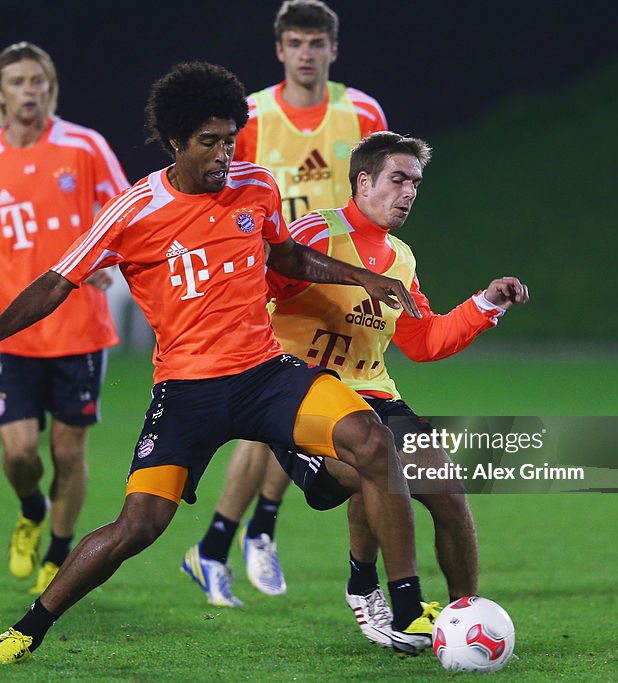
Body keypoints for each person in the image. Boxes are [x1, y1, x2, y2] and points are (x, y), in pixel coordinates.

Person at [0, 61, 439, 664]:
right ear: (176, 141)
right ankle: (28, 628)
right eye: (208, 142)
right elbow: (54, 282)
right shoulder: (133, 209)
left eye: (229, 139)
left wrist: (363, 277)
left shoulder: (255, 186)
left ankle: (407, 609)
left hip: (264, 375)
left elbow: (287, 258)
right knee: (138, 526)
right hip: (188, 391)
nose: (223, 154)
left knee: (374, 442)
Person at [264, 131, 527, 645]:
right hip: (304, 398)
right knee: (376, 466)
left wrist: (485, 304)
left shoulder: (401, 258)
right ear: (363, 182)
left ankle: (464, 619)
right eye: (398, 179)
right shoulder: (316, 234)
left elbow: (423, 340)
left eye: (416, 183)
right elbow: (258, 291)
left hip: (376, 394)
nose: (408, 192)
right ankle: (369, 589)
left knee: (447, 489)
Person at [185, 0, 389, 604]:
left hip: (340, 290)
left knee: (289, 415)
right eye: (295, 43)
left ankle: (228, 542)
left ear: (332, 48)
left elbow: (383, 187)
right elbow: (223, 194)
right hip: (268, 287)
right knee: (278, 409)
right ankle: (245, 536)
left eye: (316, 42)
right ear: (280, 49)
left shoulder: (363, 112)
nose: (306, 53)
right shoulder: (251, 116)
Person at [0, 42, 130, 595]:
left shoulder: (84, 145)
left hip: (80, 329)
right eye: (16, 81)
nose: (29, 90)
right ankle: (30, 509)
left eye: (38, 80)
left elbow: (128, 209)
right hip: (11, 334)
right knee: (19, 454)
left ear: (50, 88)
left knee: (68, 452)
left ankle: (60, 553)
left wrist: (106, 257)